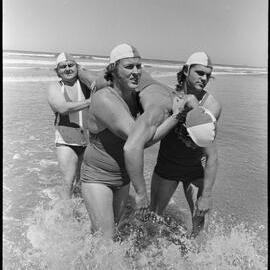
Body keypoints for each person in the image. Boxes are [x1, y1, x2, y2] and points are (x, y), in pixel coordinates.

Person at [80, 43, 190, 239]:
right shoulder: (104, 99)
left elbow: (158, 94)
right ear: (113, 69)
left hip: (122, 179)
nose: (136, 72)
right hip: (97, 177)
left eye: (139, 66)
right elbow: (139, 141)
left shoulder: (135, 96)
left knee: (111, 235)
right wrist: (177, 116)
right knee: (105, 239)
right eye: (129, 67)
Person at [124, 51, 222, 237]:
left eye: (208, 75)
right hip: (167, 167)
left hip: (194, 169)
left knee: (200, 221)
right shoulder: (169, 98)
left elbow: (212, 155)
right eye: (199, 73)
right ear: (186, 71)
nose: (204, 78)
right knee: (152, 218)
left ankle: (194, 259)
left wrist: (206, 196)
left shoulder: (212, 106)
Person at [47, 52, 94, 199]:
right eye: (62, 67)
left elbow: (101, 82)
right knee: (68, 180)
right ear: (57, 71)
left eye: (71, 65)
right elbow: (62, 108)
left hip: (88, 140)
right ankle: (66, 216)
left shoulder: (86, 85)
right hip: (66, 140)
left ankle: (81, 210)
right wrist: (89, 101)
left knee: (84, 181)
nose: (67, 69)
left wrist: (84, 72)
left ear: (77, 67)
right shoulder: (54, 87)